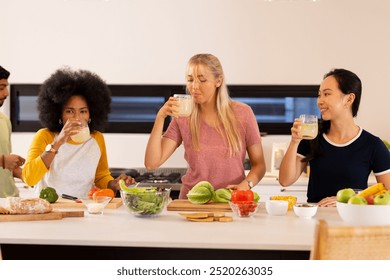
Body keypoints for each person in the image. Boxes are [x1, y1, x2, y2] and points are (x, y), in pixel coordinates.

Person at [145, 54, 266, 199]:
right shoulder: (183, 116)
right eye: (190, 80)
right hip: (191, 202)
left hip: (230, 200)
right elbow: (151, 163)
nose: (194, 86)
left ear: (218, 81)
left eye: (202, 80)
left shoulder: (243, 113)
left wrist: (246, 185)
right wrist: (160, 117)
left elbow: (259, 165)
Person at [279, 68, 390, 207]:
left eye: (327, 94)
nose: (320, 101)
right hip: (315, 218)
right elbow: (285, 180)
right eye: (319, 95)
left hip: (352, 219)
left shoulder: (373, 145)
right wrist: (294, 141)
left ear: (349, 99)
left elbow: (387, 193)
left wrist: (348, 199)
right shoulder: (312, 138)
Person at [22, 67, 135, 198]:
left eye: (83, 111)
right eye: (69, 111)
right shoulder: (45, 136)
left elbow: (101, 177)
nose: (77, 117)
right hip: (50, 208)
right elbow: (29, 178)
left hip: (84, 208)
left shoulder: (97, 138)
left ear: (91, 114)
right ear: (59, 114)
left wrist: (113, 184)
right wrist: (58, 143)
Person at [0, 66, 26, 198]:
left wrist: (24, 174)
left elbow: (6, 165)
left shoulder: (4, 120)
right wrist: (3, 160)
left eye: (6, 87)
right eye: (1, 87)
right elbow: (3, 161)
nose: (6, 93)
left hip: (10, 199)